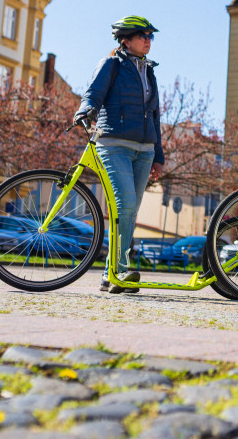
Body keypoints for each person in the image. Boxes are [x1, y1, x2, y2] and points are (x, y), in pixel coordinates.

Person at [75, 16, 164, 294]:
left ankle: (112, 274)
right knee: (123, 206)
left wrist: (158, 154)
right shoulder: (111, 64)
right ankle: (118, 272)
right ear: (125, 39)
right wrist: (85, 110)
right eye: (142, 35)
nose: (148, 39)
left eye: (151, 35)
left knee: (130, 212)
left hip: (144, 149)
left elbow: (155, 116)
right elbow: (93, 94)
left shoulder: (149, 71)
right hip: (114, 144)